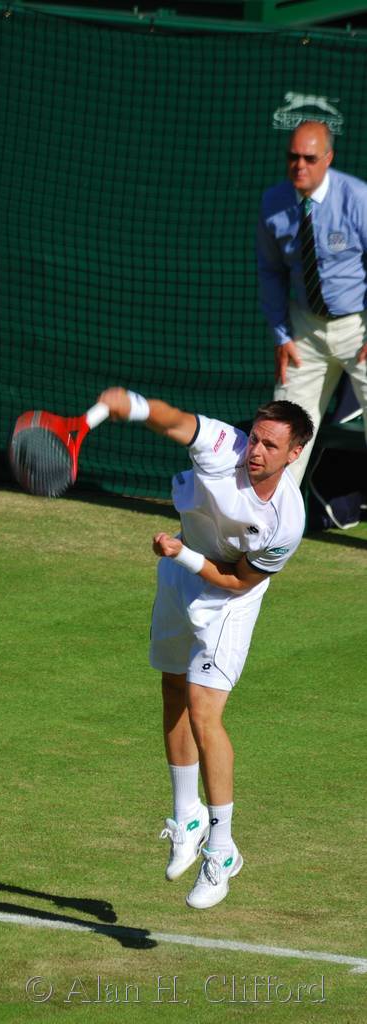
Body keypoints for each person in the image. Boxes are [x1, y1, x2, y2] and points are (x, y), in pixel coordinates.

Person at [97, 386, 313, 909]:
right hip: (180, 574)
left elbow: (237, 581)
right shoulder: (224, 445)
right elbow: (176, 421)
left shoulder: (287, 522)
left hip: (228, 601)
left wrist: (181, 554)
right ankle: (186, 816)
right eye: (255, 438)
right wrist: (136, 406)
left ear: (294, 453)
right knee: (173, 688)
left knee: (203, 709)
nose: (255, 450)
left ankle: (221, 849)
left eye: (270, 445)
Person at [257, 119, 367, 483]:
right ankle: (272, 518)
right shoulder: (273, 202)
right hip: (304, 329)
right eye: (293, 156)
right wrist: (281, 334)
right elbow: (271, 271)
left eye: (309, 158)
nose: (299, 165)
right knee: (283, 428)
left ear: (328, 158)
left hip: (359, 326)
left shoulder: (358, 198)